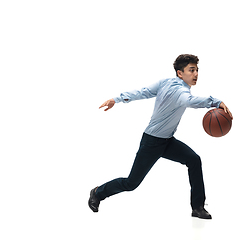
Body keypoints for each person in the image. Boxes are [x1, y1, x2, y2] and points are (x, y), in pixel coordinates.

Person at [88, 54, 233, 219]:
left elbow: (142, 92)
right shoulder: (181, 91)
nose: (196, 74)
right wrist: (215, 101)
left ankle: (198, 208)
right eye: (191, 70)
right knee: (131, 183)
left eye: (197, 70)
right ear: (180, 73)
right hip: (151, 143)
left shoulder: (165, 82)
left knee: (194, 160)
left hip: (167, 141)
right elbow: (190, 101)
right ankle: (97, 193)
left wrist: (116, 99)